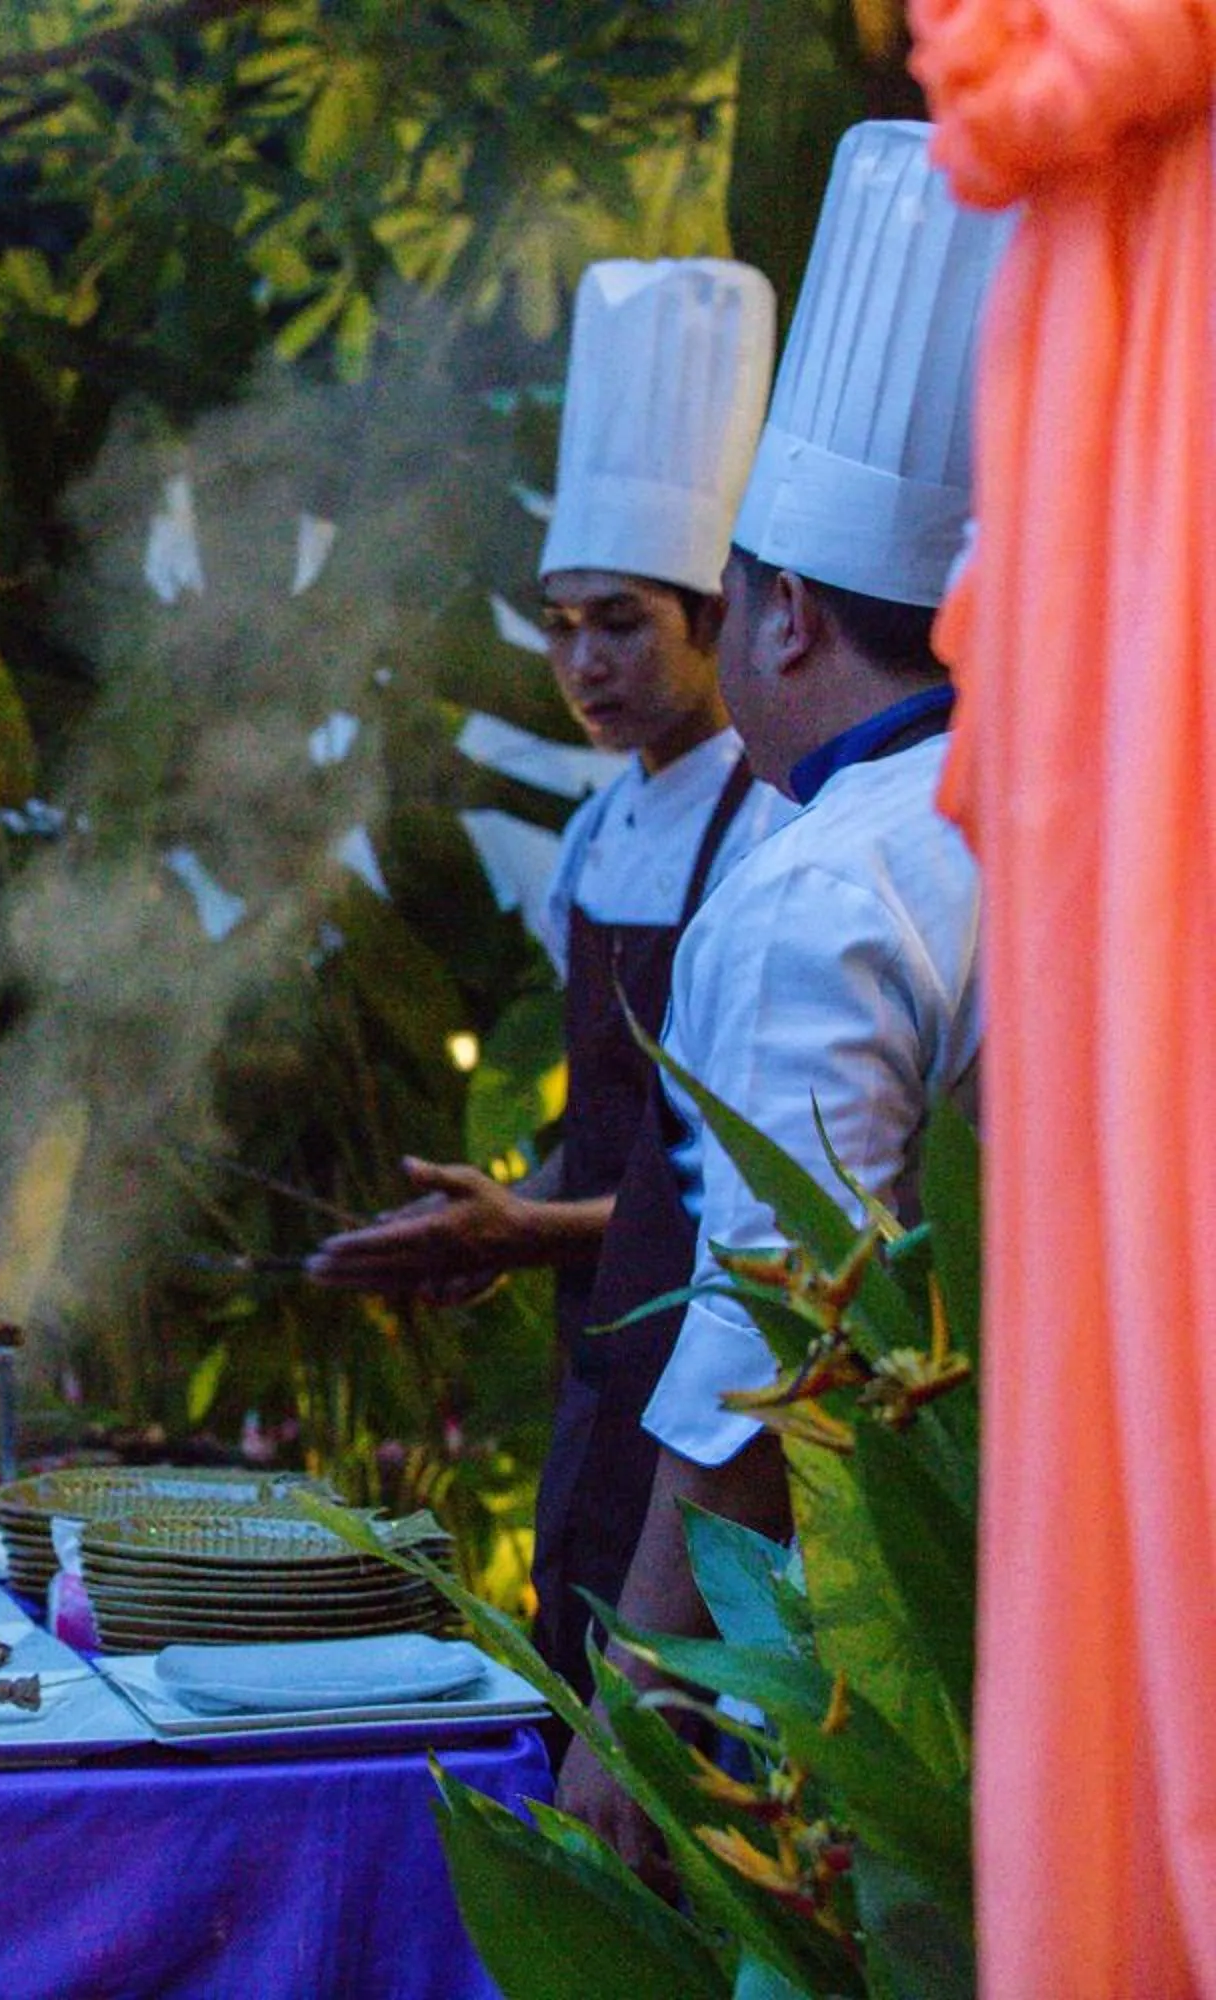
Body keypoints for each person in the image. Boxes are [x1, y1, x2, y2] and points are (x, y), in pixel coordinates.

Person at [553, 121, 1012, 1864]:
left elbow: (784, 1319)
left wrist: (647, 1683)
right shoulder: (1049, 814)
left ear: (779, 616)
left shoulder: (825, 879)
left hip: (889, 1614)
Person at [305, 259, 790, 1697]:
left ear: (724, 615)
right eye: (560, 623)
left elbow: (737, 1194)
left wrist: (527, 1229)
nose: (583, 661)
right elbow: (617, 1133)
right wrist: (504, 1223)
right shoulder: (599, 832)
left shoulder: (771, 830)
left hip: (728, 1374)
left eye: (623, 622)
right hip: (603, 1356)